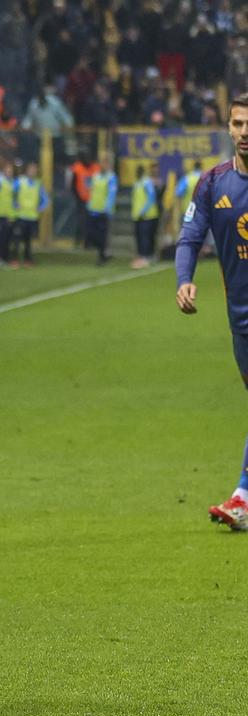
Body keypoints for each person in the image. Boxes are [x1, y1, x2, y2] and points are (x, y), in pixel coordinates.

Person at [175, 93, 248, 531]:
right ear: (228, 127)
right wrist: (184, 278)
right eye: (238, 123)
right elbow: (188, 239)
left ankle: (242, 495)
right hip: (241, 320)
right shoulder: (213, 185)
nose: (245, 132)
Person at [12, 162, 49, 267]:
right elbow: (12, 194)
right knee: (17, 239)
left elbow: (45, 199)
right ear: (27, 170)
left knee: (28, 240)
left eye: (34, 169)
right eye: (31, 169)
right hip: (20, 216)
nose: (33, 171)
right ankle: (15, 259)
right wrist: (15, 204)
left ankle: (28, 260)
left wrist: (40, 208)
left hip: (32, 217)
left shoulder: (38, 184)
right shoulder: (19, 181)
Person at [86, 154, 117, 265]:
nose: (104, 165)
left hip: (104, 211)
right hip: (94, 209)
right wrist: (89, 203)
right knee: (93, 233)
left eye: (106, 163)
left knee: (102, 234)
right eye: (103, 162)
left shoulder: (111, 177)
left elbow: (112, 194)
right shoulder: (95, 176)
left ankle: (102, 256)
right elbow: (91, 190)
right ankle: (104, 252)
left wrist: (107, 207)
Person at [131, 164, 159, 269]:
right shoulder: (137, 183)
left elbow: (151, 197)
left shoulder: (146, 182)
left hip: (148, 215)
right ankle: (141, 256)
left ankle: (146, 257)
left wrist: (143, 210)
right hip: (137, 215)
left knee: (146, 237)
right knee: (139, 236)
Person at [70, 151, 100, 248]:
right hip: (81, 200)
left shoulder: (96, 168)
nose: (88, 160)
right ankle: (78, 241)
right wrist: (78, 197)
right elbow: (73, 185)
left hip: (94, 201)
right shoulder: (77, 167)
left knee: (92, 222)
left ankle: (89, 243)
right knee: (81, 221)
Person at [0, 162, 16, 266]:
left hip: (9, 216)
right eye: (8, 170)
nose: (9, 172)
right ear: (3, 170)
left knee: (6, 239)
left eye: (11, 170)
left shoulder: (13, 182)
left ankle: (2, 259)